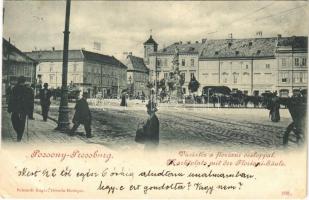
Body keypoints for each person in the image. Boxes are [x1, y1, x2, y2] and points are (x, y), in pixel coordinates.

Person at [8, 76, 32, 142]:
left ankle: (19, 135)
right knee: (21, 122)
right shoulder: (16, 88)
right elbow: (30, 101)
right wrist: (29, 111)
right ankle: (19, 133)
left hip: (18, 109)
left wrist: (9, 109)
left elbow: (11, 99)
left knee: (14, 121)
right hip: (21, 109)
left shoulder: (25, 89)